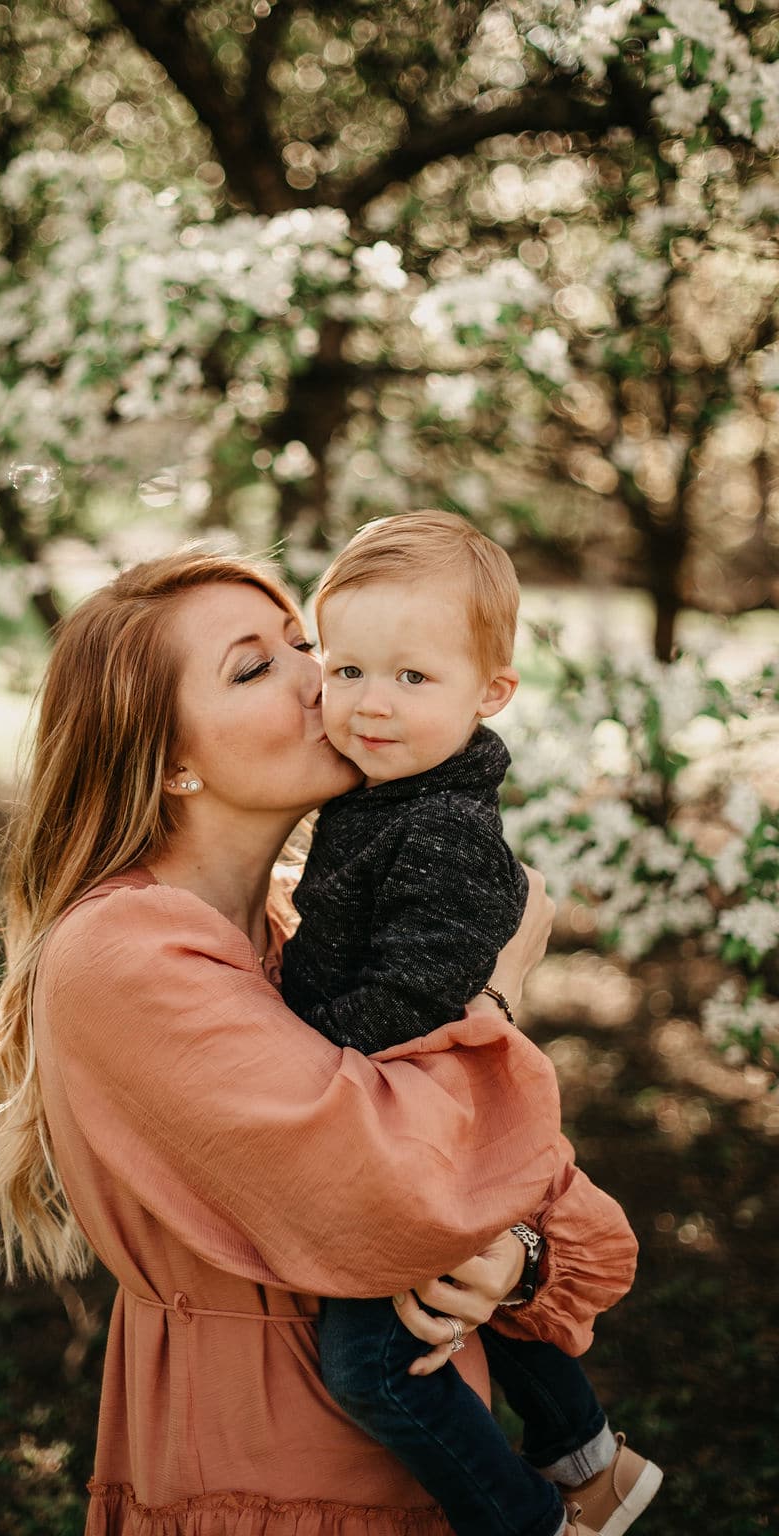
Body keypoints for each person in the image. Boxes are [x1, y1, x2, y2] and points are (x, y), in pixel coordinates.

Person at [0, 548, 639, 1536]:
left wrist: (514, 1263)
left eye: (302, 643)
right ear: (173, 760)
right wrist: (498, 985)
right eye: (252, 667)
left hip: (434, 1463)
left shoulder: (301, 936)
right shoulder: (123, 951)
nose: (322, 677)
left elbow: (551, 1205)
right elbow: (391, 1179)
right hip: (273, 1475)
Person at [282, 511, 662, 1536]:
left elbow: (407, 1003)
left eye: (414, 679)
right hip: (409, 1128)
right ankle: (587, 1454)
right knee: (469, 1285)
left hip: (411, 1126)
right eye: (347, 668)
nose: (369, 703)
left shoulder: (441, 830)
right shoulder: (387, 799)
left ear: (491, 694)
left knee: (378, 1370)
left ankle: (529, 1518)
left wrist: (283, 1041)